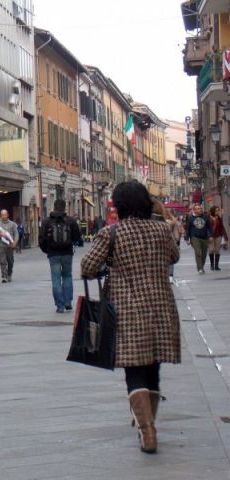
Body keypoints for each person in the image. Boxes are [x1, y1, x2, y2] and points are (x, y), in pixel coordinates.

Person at [81, 181, 180, 454]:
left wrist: (109, 265)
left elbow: (87, 266)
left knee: (134, 370)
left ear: (119, 205)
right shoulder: (162, 230)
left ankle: (147, 432)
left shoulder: (111, 233)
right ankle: (148, 426)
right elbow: (174, 256)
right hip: (161, 308)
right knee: (153, 369)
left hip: (127, 310)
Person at [39, 199, 81, 313]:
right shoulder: (70, 221)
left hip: (53, 254)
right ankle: (68, 301)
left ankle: (60, 305)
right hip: (67, 253)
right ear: (64, 207)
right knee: (67, 276)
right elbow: (78, 237)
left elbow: (41, 239)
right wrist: (72, 244)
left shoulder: (46, 221)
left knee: (56, 278)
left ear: (54, 207)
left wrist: (47, 250)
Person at [184, 204, 213, 274]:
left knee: (204, 254)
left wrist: (211, 236)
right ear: (194, 210)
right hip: (195, 237)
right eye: (198, 209)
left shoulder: (206, 217)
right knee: (198, 253)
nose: (200, 210)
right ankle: (199, 268)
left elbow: (209, 227)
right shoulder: (191, 218)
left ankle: (201, 267)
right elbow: (188, 229)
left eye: (200, 208)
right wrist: (187, 239)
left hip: (205, 237)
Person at [0, 209, 18, 283]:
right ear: (1, 216)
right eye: (2, 215)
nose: (4, 216)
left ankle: (9, 273)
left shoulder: (13, 224)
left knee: (10, 261)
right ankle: (4, 276)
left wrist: (15, 243)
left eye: (5, 214)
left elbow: (16, 234)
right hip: (1, 245)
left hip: (10, 246)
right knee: (2, 261)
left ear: (7, 215)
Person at [208, 206, 228, 271]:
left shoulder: (219, 218)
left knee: (217, 250)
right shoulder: (208, 218)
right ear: (213, 211)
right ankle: (212, 265)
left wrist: (225, 236)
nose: (217, 212)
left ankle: (216, 266)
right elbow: (206, 228)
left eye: (218, 210)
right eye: (216, 210)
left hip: (218, 236)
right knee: (211, 250)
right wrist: (208, 236)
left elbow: (222, 227)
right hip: (211, 236)